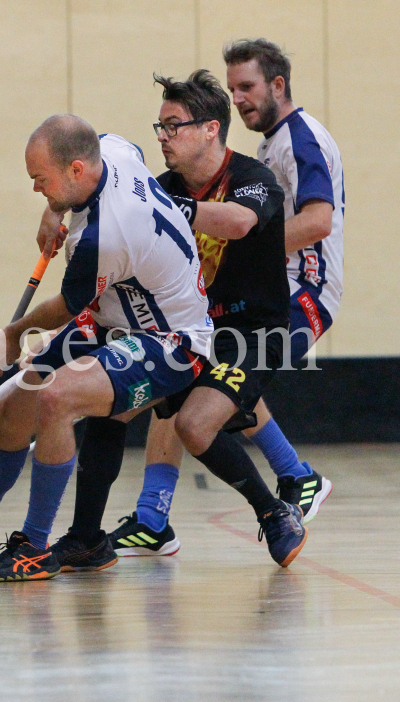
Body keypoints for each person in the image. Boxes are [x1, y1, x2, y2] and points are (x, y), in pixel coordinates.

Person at [0, 114, 219, 583]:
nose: (37, 189)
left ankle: (35, 547)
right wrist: (53, 210)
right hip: (116, 317)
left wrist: (16, 330)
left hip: (171, 342)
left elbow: (68, 306)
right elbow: (115, 149)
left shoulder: (105, 236)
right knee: (16, 397)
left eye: (41, 181)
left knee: (55, 397)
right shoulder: (115, 151)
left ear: (76, 171)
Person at [68, 70, 310, 567]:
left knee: (195, 428)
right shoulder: (164, 186)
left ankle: (274, 512)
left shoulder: (253, 180)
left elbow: (238, 223)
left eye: (173, 126)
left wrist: (163, 207)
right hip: (185, 333)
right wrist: (58, 209)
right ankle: (87, 539)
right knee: (108, 405)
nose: (162, 137)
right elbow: (107, 203)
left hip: (250, 336)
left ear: (210, 129)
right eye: (158, 127)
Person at [224, 38, 341, 517]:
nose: (237, 99)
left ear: (278, 84)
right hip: (276, 287)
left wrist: (243, 250)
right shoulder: (273, 142)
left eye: (246, 86)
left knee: (221, 381)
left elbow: (317, 221)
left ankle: (298, 475)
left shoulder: (301, 138)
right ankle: (153, 518)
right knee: (198, 371)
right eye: (232, 89)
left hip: (306, 293)